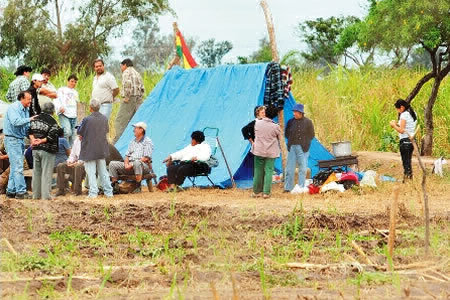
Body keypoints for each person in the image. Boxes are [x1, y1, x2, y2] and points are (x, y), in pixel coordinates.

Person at [78, 98, 113, 198]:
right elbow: (106, 131)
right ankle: (109, 192)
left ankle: (93, 193)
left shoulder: (87, 119)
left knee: (91, 172)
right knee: (103, 172)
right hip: (101, 149)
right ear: (99, 107)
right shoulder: (104, 118)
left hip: (89, 150)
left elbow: (80, 132)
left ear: (90, 108)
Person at [3, 91, 35, 199]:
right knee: (18, 167)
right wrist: (30, 119)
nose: (30, 101)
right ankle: (21, 192)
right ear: (21, 98)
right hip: (12, 140)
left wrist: (33, 139)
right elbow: (15, 122)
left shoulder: (26, 110)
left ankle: (11, 191)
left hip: (19, 139)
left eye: (31, 99)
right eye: (28, 99)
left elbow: (26, 128)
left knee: (14, 166)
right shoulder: (14, 108)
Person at [28, 102, 61, 200]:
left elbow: (29, 131)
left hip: (35, 149)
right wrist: (41, 141)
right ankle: (46, 196)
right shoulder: (52, 121)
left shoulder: (35, 118)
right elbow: (52, 135)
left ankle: (36, 195)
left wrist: (33, 140)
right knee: (46, 173)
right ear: (52, 111)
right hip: (47, 150)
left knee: (36, 172)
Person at [109, 122, 153, 194]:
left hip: (143, 166)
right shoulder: (132, 141)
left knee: (137, 162)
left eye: (135, 128)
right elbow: (127, 156)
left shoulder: (148, 141)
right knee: (112, 164)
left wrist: (131, 164)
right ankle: (115, 186)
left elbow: (146, 158)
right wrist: (126, 164)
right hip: (130, 165)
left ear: (141, 130)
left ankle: (137, 186)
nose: (134, 130)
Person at [284, 103, 315, 192]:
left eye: (296, 112)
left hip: (303, 148)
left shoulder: (308, 122)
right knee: (289, 169)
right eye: (293, 112)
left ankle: (301, 187)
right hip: (292, 147)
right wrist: (291, 142)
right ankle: (288, 188)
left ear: (300, 113)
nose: (294, 113)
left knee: (303, 168)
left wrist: (305, 143)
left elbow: (312, 135)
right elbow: (287, 134)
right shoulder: (290, 122)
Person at [252, 106, 281, 199]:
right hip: (271, 152)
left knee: (258, 171)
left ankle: (256, 192)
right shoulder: (276, 126)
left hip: (259, 151)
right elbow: (280, 138)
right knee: (269, 171)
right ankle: (266, 193)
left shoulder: (257, 123)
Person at [113, 59, 145, 143]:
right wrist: (139, 98)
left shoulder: (126, 72)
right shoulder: (137, 73)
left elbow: (127, 83)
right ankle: (132, 140)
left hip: (129, 98)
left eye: (121, 66)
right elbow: (142, 88)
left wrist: (126, 97)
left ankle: (118, 141)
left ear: (125, 65)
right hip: (138, 99)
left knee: (119, 121)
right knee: (133, 121)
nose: (121, 68)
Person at [390, 99, 418, 181]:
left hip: (405, 140)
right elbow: (407, 126)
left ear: (402, 107)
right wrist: (397, 124)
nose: (398, 111)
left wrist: (393, 125)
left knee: (405, 162)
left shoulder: (404, 114)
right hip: (412, 140)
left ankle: (407, 179)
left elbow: (402, 130)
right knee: (408, 161)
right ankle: (409, 178)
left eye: (398, 109)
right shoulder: (413, 113)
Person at [55, 74, 79, 145]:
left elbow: (77, 103)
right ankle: (65, 150)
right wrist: (59, 107)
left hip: (73, 115)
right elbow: (56, 99)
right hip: (64, 114)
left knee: (73, 134)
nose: (73, 83)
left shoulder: (76, 92)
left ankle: (72, 152)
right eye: (72, 81)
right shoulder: (61, 90)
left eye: (75, 82)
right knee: (67, 132)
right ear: (68, 81)